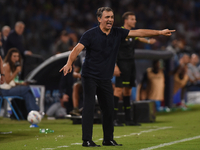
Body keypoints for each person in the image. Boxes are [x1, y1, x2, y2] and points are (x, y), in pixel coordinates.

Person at [60, 7, 175, 147]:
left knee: (109, 108)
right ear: (99, 19)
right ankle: (87, 140)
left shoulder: (118, 32)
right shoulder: (90, 34)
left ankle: (108, 139)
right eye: (107, 17)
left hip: (105, 78)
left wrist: (159, 32)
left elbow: (138, 32)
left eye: (112, 17)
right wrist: (68, 63)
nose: (110, 20)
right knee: (89, 107)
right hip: (90, 76)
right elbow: (77, 49)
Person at [113, 11, 156, 126]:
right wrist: (115, 65)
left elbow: (139, 37)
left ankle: (128, 119)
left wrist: (148, 41)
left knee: (128, 91)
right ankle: (113, 119)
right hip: (121, 64)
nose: (135, 21)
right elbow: (113, 50)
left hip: (131, 65)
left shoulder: (132, 34)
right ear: (126, 20)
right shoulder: (119, 32)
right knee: (118, 90)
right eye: (132, 19)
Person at [0, 48, 39, 113]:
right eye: (14, 56)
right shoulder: (6, 66)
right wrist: (16, 71)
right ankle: (36, 111)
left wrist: (21, 84)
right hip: (5, 91)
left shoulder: (12, 66)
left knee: (27, 94)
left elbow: (11, 82)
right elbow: (6, 81)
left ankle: (33, 112)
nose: (16, 58)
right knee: (28, 88)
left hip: (10, 88)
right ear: (10, 57)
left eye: (18, 56)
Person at [70, 50, 86, 116]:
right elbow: (74, 73)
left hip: (98, 78)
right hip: (84, 79)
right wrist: (79, 75)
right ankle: (76, 109)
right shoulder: (82, 56)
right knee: (76, 86)